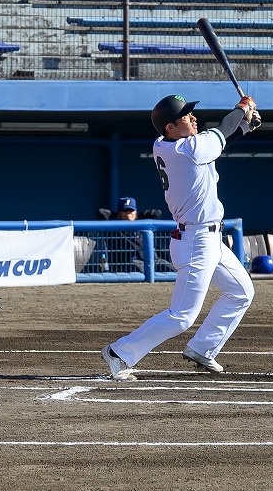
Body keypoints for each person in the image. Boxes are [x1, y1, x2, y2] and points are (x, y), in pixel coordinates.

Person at [101, 93, 260, 380]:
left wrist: (245, 126)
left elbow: (219, 143)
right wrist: (242, 110)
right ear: (170, 127)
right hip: (196, 241)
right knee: (182, 316)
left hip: (210, 240)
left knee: (241, 292)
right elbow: (221, 131)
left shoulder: (170, 145)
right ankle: (119, 353)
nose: (193, 118)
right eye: (185, 116)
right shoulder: (186, 149)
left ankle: (203, 349)